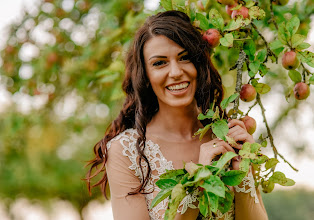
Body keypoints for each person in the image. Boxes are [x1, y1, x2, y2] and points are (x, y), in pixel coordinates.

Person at [86, 10, 268, 220]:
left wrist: (243, 174)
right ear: (145, 75)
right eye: (159, 63)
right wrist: (198, 182)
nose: (175, 72)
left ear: (199, 63)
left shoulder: (228, 138)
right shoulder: (125, 152)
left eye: (185, 57)